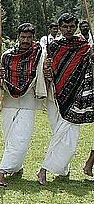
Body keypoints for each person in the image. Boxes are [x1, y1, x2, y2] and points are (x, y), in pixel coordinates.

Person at [38, 13, 94, 184]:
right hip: (56, 95)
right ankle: (62, 168)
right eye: (65, 27)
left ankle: (44, 169)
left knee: (68, 133)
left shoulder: (84, 46)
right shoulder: (53, 46)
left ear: (76, 27)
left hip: (77, 96)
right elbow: (46, 69)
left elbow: (89, 69)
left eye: (71, 26)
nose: (68, 30)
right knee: (58, 132)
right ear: (60, 28)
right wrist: (46, 72)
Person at [0, 23, 47, 186]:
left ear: (33, 38)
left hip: (28, 101)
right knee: (10, 138)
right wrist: (0, 76)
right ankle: (16, 167)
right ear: (18, 37)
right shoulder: (7, 55)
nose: (25, 40)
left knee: (21, 138)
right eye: (23, 37)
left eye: (29, 37)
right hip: (9, 100)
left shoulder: (40, 54)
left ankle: (1, 171)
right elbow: (0, 79)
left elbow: (44, 73)